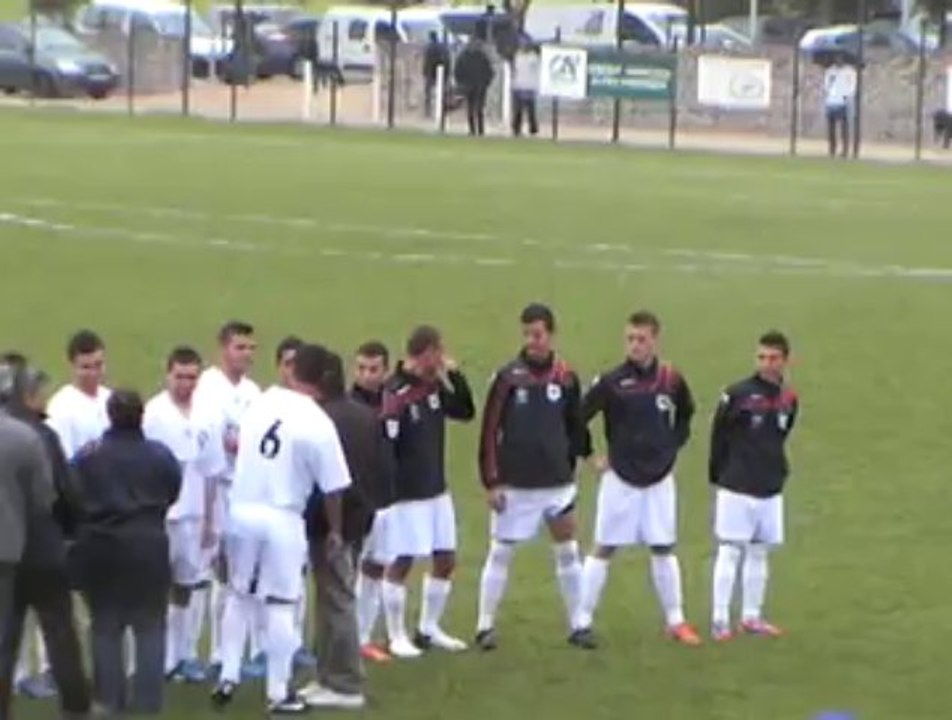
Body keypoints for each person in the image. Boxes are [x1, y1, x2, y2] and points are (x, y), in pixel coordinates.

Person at [211, 344, 351, 715]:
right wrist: (335, 530)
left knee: (238, 594)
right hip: (282, 516)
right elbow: (334, 486)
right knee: (281, 604)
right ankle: (278, 691)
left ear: (291, 371)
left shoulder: (260, 401)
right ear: (322, 379)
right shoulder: (318, 422)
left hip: (241, 508)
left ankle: (227, 674)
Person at [575, 311, 701, 648]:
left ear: (654, 340)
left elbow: (687, 412)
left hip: (659, 479)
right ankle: (581, 622)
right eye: (630, 339)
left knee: (663, 547)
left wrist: (672, 445)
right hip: (621, 479)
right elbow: (576, 419)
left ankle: (676, 620)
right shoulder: (611, 382)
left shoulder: (671, 378)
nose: (635, 345)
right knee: (604, 547)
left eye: (641, 339)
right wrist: (589, 456)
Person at [474, 303, 591, 651]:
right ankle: (484, 626)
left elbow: (576, 424)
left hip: (557, 482)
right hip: (517, 485)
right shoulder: (508, 377)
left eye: (538, 334)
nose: (532, 341)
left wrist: (582, 456)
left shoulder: (566, 376)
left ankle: (579, 624)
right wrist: (492, 481)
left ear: (551, 335)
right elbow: (489, 431)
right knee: (500, 553)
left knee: (568, 550)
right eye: (527, 334)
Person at [73, 390, 182, 716]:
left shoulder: (89, 455)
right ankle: (148, 703)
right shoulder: (160, 455)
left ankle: (109, 699)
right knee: (150, 627)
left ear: (109, 415)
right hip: (149, 545)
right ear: (141, 416)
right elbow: (173, 490)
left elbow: (73, 495)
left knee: (106, 626)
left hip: (102, 547)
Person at [301, 350, 394, 710]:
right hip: (359, 519)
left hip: (331, 523)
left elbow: (322, 479)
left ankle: (345, 682)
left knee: (336, 598)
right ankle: (328, 674)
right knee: (331, 596)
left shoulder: (322, 420)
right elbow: (383, 469)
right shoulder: (365, 415)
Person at [21, 329, 110, 699]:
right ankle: (45, 669)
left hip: (102, 513)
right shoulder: (63, 407)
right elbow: (55, 466)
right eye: (86, 367)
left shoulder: (108, 399)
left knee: (93, 598)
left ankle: (83, 666)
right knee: (57, 600)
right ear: (73, 365)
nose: (94, 373)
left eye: (99, 365)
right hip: (69, 515)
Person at [0, 358, 89, 720]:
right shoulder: (35, 436)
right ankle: (75, 707)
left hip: (5, 555)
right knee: (60, 635)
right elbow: (55, 495)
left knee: (5, 640)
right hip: (42, 550)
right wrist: (72, 533)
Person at [379, 325, 475, 658]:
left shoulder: (432, 385)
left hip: (437, 489)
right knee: (402, 561)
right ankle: (395, 635)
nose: (443, 357)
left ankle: (428, 627)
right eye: (439, 352)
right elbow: (386, 447)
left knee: (445, 559)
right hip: (408, 494)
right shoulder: (396, 393)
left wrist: (455, 375)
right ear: (425, 353)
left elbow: (465, 411)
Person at [143, 347, 227, 684]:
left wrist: (209, 519)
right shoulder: (153, 413)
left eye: (192, 376)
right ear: (168, 375)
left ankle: (184, 654)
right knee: (156, 588)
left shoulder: (208, 414)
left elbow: (210, 471)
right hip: (162, 517)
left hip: (194, 514)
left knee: (187, 586)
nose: (186, 383)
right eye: (179, 376)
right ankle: (157, 658)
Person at [709, 331, 799, 641]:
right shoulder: (737, 394)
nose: (766, 364)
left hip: (771, 486)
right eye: (761, 357)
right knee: (730, 550)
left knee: (760, 552)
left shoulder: (789, 398)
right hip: (736, 486)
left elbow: (781, 435)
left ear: (785, 361)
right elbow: (718, 436)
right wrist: (719, 475)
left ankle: (751, 616)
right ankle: (720, 619)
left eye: (773, 358)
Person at [193, 320, 263, 679]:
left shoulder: (253, 390)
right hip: (216, 486)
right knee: (210, 569)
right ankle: (205, 652)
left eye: (251, 348)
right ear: (223, 349)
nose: (246, 355)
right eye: (240, 347)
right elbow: (213, 438)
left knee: (241, 572)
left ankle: (233, 651)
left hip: (246, 490)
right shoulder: (208, 387)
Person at [271, 336, 317, 671]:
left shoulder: (313, 406)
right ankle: (263, 651)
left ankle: (295, 644)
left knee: (297, 578)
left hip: (301, 506)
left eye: (297, 365)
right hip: (270, 507)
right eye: (287, 364)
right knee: (262, 586)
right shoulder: (266, 405)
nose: (292, 371)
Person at [349, 341, 397, 663]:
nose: (367, 375)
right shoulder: (347, 407)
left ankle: (363, 635)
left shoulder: (394, 403)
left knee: (377, 567)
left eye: (374, 369)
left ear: (386, 371)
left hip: (388, 500)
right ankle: (342, 637)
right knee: (347, 571)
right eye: (362, 369)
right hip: (355, 502)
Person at [454, 36, 494, 136]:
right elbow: (490, 72)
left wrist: (461, 82)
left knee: (474, 108)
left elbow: (457, 71)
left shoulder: (465, 56)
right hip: (475, 85)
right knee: (476, 108)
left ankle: (475, 130)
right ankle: (477, 130)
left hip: (473, 85)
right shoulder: (481, 56)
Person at [824, 53, 856, 159]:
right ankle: (832, 149)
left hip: (843, 101)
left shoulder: (849, 71)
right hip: (831, 101)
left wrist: (847, 96)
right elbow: (826, 85)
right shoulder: (830, 71)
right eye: (836, 58)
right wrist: (828, 93)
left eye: (840, 58)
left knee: (844, 127)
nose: (838, 60)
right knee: (831, 127)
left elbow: (852, 85)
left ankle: (845, 150)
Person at [510, 39, 539, 137]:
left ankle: (531, 129)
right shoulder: (519, 56)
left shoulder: (532, 58)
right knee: (519, 110)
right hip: (520, 85)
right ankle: (517, 128)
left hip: (527, 86)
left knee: (529, 110)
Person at [422, 31, 449, 118]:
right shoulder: (443, 47)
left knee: (428, 93)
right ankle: (441, 110)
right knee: (441, 93)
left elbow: (426, 61)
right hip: (441, 73)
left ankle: (428, 111)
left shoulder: (429, 47)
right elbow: (446, 60)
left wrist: (424, 72)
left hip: (430, 73)